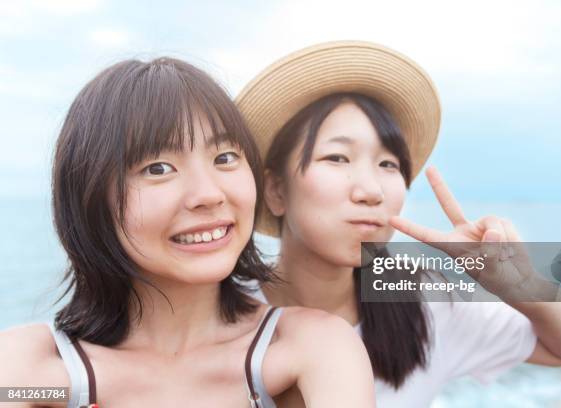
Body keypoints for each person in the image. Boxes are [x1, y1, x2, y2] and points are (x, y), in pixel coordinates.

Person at [235, 41, 561, 407]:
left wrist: (523, 285)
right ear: (275, 189)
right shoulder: (221, 307)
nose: (371, 191)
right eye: (337, 157)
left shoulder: (421, 304)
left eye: (388, 165)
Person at [0, 57, 375, 408]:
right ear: (88, 197)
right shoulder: (37, 373)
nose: (208, 194)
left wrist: (436, 261)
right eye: (158, 168)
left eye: (225, 158)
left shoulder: (307, 350)